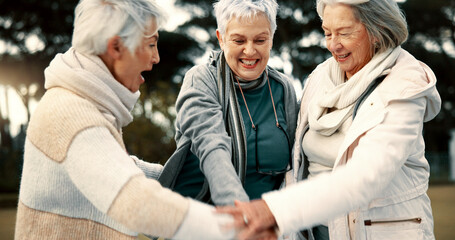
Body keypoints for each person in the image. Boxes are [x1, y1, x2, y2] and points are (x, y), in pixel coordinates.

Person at [218, 0, 441, 239]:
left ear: (377, 31)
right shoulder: (320, 77)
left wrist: (276, 211)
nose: (333, 45)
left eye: (344, 33)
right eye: (327, 33)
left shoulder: (406, 86)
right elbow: (298, 164)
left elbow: (365, 177)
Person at [14, 0, 236, 239]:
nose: (156, 57)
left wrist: (183, 173)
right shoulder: (72, 113)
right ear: (116, 47)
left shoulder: (84, 103)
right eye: (151, 44)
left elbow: (105, 163)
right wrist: (238, 227)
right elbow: (134, 200)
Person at [158, 0, 298, 207]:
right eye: (239, 41)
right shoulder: (202, 79)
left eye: (260, 40)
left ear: (271, 40)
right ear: (221, 39)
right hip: (204, 219)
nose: (250, 51)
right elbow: (212, 147)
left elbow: (294, 166)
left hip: (265, 228)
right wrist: (242, 218)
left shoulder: (283, 88)